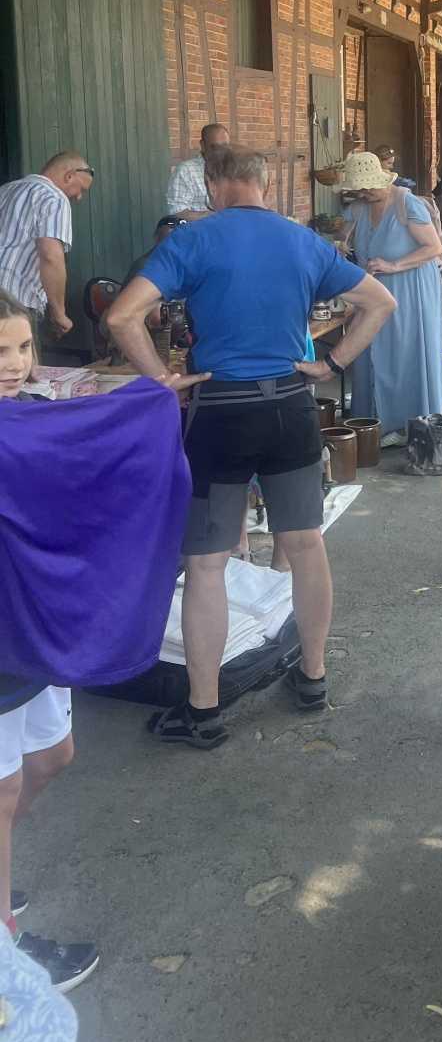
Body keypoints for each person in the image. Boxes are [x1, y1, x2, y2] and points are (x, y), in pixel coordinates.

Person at [106, 146, 396, 749]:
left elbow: (121, 317)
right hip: (290, 405)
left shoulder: (194, 239)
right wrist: (332, 362)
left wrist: (160, 378)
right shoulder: (302, 241)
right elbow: (379, 303)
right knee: (306, 544)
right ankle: (313, 678)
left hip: (221, 409)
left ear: (215, 183)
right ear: (265, 184)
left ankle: (205, 712)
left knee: (208, 563)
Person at [0, 293, 99, 990]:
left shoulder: (29, 418)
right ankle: (6, 957)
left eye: (22, 348)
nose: (14, 365)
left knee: (53, 755)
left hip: (33, 633)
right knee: (0, 793)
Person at [341, 151, 442, 444]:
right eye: (358, 188)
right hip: (374, 290)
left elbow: (433, 248)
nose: (363, 192)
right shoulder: (358, 208)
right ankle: (375, 422)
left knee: (406, 351)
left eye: (367, 187)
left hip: (411, 286)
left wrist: (393, 265)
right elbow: (344, 238)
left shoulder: (407, 203)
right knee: (370, 348)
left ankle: (411, 425)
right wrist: (338, 246)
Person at [0, 152, 95, 339]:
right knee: (17, 365)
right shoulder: (54, 197)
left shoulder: (5, 190)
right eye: (81, 189)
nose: (79, 197)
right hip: (13, 300)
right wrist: (58, 312)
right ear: (69, 176)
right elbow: (50, 256)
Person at [165, 122, 229, 218]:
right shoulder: (186, 171)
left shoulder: (234, 169)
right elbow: (177, 212)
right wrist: (216, 217)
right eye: (214, 147)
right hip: (199, 231)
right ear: (202, 145)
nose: (220, 152)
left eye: (224, 146)